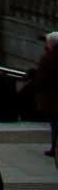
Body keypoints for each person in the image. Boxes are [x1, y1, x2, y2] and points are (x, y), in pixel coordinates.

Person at [33, 29, 58, 157]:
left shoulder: (48, 58)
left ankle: (55, 148)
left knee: (55, 124)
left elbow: (42, 79)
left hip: (52, 98)